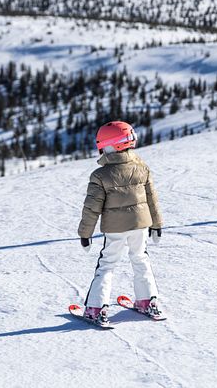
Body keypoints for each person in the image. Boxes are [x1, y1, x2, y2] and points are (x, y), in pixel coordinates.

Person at [78, 121, 163, 324]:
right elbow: (152, 198)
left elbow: (92, 207)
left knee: (107, 265)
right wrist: (156, 224)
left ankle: (96, 308)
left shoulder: (100, 175)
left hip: (115, 229)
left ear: (109, 146)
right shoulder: (142, 168)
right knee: (141, 259)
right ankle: (147, 301)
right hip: (141, 225)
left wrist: (85, 233)